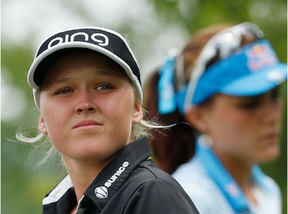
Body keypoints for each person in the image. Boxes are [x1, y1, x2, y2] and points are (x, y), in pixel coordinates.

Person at [18, 26, 200, 214]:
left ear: (137, 108)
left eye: (104, 86)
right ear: (42, 119)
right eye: (64, 90)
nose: (84, 104)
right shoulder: (62, 204)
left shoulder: (154, 194)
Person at [144, 22, 287, 214]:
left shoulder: (266, 190)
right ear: (198, 117)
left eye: (275, 95)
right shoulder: (188, 201)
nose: (272, 116)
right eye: (249, 103)